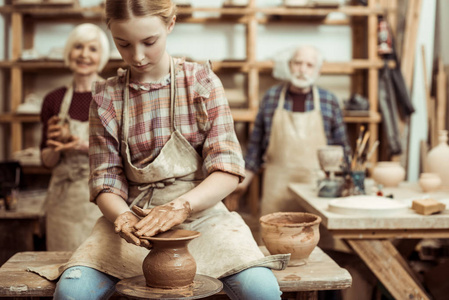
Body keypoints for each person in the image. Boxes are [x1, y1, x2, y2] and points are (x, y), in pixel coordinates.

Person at [29, 1, 289, 299]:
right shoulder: (106, 96)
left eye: (149, 42)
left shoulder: (201, 83)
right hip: (134, 219)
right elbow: (106, 180)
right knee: (72, 290)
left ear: (170, 25)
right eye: (123, 44)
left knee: (262, 290)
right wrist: (122, 217)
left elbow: (228, 169)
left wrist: (180, 207)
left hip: (203, 216)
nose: (137, 56)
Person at [227, 45, 351, 216]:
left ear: (318, 71)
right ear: (289, 65)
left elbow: (341, 149)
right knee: (274, 237)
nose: (302, 70)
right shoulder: (271, 98)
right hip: (277, 187)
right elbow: (255, 149)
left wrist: (349, 183)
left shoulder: (329, 101)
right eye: (297, 63)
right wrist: (241, 184)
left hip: (317, 190)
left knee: (318, 239)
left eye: (309, 65)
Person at [40, 23, 109, 251]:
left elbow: (125, 154)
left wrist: (81, 145)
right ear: (69, 51)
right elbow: (47, 161)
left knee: (100, 264)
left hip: (102, 197)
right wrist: (54, 148)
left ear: (102, 56)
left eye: (92, 49)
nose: (84, 55)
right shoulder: (53, 100)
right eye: (78, 47)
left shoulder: (111, 96)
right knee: (61, 266)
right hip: (62, 200)